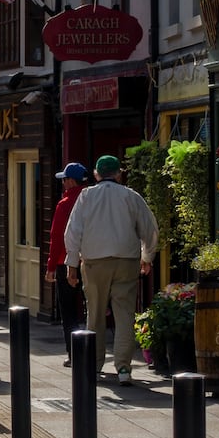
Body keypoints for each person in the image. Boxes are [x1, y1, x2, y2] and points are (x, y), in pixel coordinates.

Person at [65, 155, 158, 386]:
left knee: (95, 313)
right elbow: (150, 229)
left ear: (96, 174)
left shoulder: (86, 196)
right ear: (118, 174)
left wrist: (72, 264)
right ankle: (124, 368)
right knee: (124, 314)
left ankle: (95, 365)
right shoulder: (131, 196)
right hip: (126, 260)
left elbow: (73, 231)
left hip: (94, 261)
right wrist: (147, 257)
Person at [45, 162, 88, 368]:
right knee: (92, 309)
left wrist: (51, 266)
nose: (62, 183)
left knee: (69, 311)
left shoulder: (65, 204)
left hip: (65, 262)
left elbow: (57, 237)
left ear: (71, 181)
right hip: (90, 261)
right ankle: (92, 352)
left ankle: (73, 353)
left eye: (64, 179)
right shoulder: (91, 201)